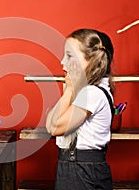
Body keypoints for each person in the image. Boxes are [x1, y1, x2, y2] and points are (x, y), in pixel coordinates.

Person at [46, 28, 115, 190]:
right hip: (71, 167)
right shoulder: (83, 91)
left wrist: (69, 89)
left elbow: (56, 128)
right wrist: (69, 89)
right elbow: (50, 125)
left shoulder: (91, 93)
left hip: (84, 172)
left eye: (69, 56)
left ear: (90, 60)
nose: (62, 62)